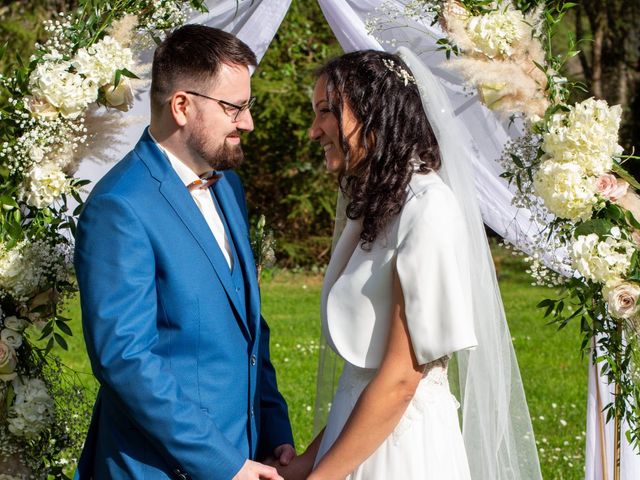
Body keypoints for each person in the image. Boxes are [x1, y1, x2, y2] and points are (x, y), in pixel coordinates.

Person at [277, 47, 541, 479]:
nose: (313, 131)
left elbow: (402, 380)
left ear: (373, 114)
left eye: (326, 112)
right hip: (360, 440)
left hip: (403, 453)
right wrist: (306, 463)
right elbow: (365, 379)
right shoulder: (381, 205)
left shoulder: (427, 209)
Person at [73, 25, 294, 480]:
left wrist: (274, 428)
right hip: (157, 468)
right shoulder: (120, 207)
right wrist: (225, 465)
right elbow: (126, 360)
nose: (247, 122)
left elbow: (249, 322)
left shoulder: (228, 184)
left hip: (247, 451)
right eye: (234, 107)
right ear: (181, 106)